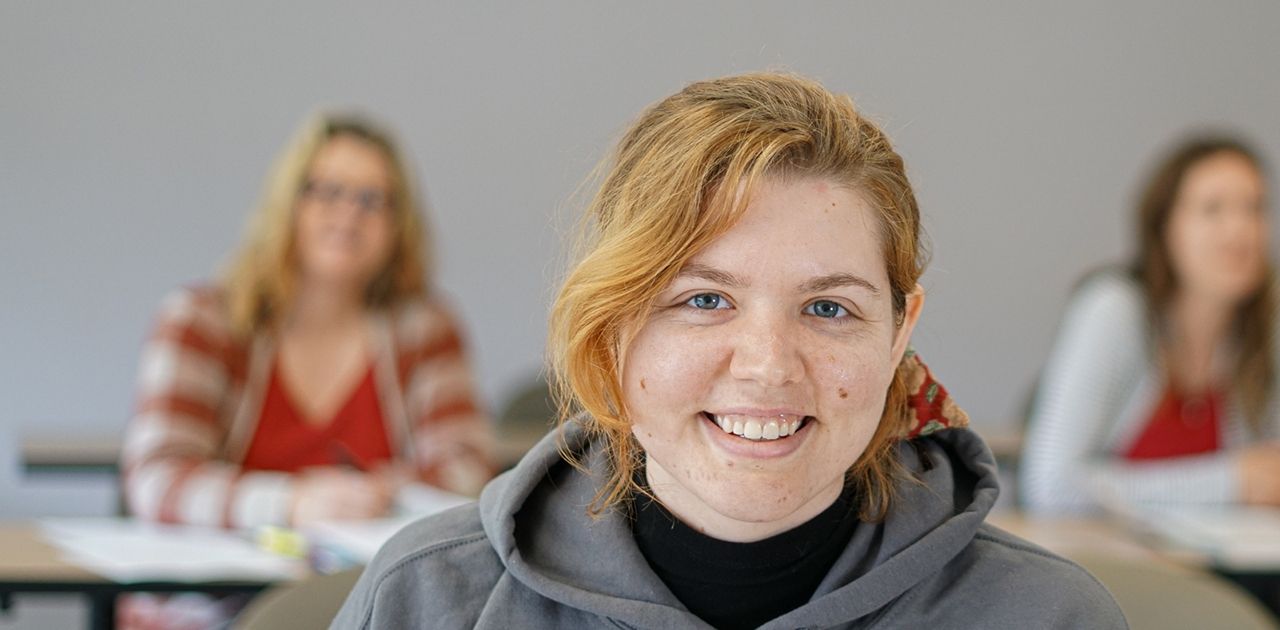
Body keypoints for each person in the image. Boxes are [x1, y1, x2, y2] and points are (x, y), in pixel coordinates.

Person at [333, 72, 1125, 629]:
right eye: (704, 300)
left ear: (899, 335)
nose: (768, 365)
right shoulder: (429, 602)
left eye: (828, 307)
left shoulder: (1049, 618)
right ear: (613, 326)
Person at [121, 112, 493, 530]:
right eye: (327, 192)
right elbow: (156, 480)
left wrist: (375, 494)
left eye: (372, 199)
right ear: (287, 204)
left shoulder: (425, 328)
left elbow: (468, 470)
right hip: (222, 588)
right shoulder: (199, 322)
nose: (349, 214)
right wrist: (290, 503)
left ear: (398, 225)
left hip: (361, 584)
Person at [1020, 134, 1280, 517]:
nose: (1239, 230)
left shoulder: (1278, 305)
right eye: (1212, 209)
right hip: (1114, 563)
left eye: (1255, 208)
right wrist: (1229, 483)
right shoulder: (1114, 307)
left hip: (1236, 562)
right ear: (1165, 228)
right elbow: (1051, 484)